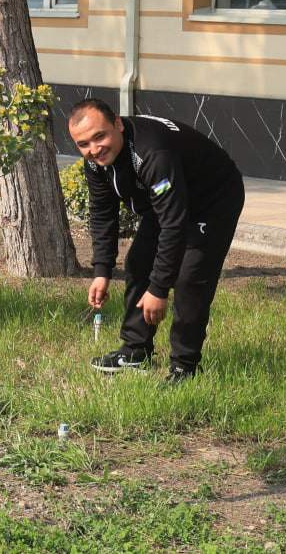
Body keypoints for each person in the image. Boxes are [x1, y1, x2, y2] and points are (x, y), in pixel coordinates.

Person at [68, 98, 245, 383]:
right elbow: (103, 214)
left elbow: (174, 225)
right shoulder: (97, 163)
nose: (93, 149)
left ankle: (185, 366)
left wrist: (159, 289)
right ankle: (136, 351)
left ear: (117, 124)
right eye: (83, 144)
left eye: (99, 136)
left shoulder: (152, 153)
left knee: (190, 278)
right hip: (169, 199)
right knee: (138, 263)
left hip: (213, 199)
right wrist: (102, 272)